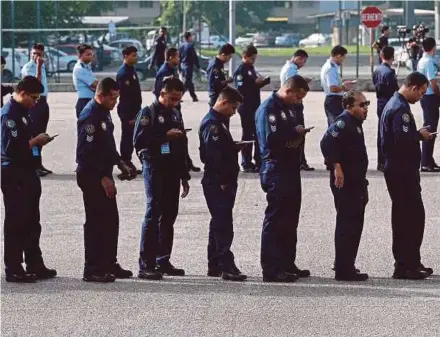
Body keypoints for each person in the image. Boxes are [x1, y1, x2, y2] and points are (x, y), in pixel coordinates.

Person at [76, 77, 135, 283]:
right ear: (100, 96)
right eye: (112, 98)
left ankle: (108, 262)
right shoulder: (90, 117)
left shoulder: (104, 114)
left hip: (103, 172)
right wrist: (102, 177)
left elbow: (107, 146)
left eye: (117, 98)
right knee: (96, 223)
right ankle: (92, 269)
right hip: (92, 175)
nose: (115, 102)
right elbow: (86, 153)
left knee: (111, 221)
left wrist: (120, 162)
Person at [255, 75, 313, 283]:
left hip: (290, 167)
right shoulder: (269, 109)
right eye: (298, 97)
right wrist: (293, 133)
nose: (299, 101)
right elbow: (271, 140)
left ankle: (287, 263)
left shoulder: (290, 107)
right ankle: (271, 268)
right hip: (275, 168)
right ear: (288, 91)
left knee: (290, 218)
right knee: (276, 218)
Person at [1, 76, 57, 282]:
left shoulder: (24, 112)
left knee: (32, 221)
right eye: (33, 97)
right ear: (22, 93)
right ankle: (14, 267)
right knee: (16, 221)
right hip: (14, 173)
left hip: (27, 172)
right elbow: (11, 149)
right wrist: (35, 141)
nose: (36, 102)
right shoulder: (9, 116)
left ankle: (35, 263)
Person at [134, 77, 190, 280]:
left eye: (178, 100)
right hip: (155, 167)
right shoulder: (148, 113)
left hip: (172, 170)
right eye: (172, 98)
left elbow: (182, 144)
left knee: (169, 215)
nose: (175, 103)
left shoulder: (175, 113)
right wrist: (164, 136)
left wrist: (185, 175)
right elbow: (139, 142)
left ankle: (162, 260)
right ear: (162, 93)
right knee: (153, 213)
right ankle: (146, 264)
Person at [380, 72, 434, 280]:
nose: (421, 96)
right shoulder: (400, 109)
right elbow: (402, 141)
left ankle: (411, 261)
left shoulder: (397, 104)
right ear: (413, 87)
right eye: (421, 92)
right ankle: (405, 265)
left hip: (401, 169)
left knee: (409, 216)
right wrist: (419, 136)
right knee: (409, 218)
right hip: (401, 171)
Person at [199, 86, 247, 281]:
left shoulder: (220, 122)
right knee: (223, 225)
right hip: (218, 181)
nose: (234, 113)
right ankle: (226, 265)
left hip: (221, 180)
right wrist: (224, 180)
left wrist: (232, 147)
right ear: (224, 102)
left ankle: (215, 264)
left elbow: (220, 149)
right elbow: (212, 156)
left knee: (218, 222)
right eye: (233, 108)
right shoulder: (213, 124)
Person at [320, 90, 370, 281]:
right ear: (349, 107)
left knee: (354, 224)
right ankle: (343, 269)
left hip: (356, 182)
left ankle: (346, 263)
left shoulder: (355, 124)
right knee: (347, 224)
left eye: (366, 104)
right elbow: (326, 142)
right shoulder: (343, 122)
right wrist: (336, 165)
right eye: (361, 105)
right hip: (346, 183)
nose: (365, 108)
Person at [154, 48, 201, 173]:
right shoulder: (164, 72)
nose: (179, 59)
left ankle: (185, 163)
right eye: (177, 57)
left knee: (181, 138)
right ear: (170, 57)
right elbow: (159, 93)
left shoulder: (171, 70)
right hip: (165, 112)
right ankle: (168, 162)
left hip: (174, 110)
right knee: (167, 139)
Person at [233, 45, 269, 173]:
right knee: (248, 135)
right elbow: (241, 89)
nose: (254, 61)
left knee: (257, 134)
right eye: (252, 58)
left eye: (255, 58)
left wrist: (262, 83)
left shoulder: (251, 69)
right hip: (246, 107)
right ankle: (246, 161)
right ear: (245, 57)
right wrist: (255, 84)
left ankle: (257, 159)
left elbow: (253, 85)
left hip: (254, 105)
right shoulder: (241, 70)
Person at [280, 49, 314, 171]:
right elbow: (293, 86)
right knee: (299, 131)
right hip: (294, 104)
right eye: (303, 61)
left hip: (293, 102)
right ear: (298, 58)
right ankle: (300, 161)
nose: (303, 64)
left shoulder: (289, 68)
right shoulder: (291, 69)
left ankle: (300, 160)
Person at [21, 43, 52, 176]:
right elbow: (36, 86)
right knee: (34, 135)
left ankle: (38, 163)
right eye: (33, 53)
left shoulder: (43, 66)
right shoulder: (28, 68)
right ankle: (33, 166)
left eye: (39, 54)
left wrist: (41, 66)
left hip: (43, 102)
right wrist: (38, 66)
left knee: (42, 134)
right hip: (34, 103)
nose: (35, 56)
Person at [116, 45, 143, 176]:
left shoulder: (131, 70)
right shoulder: (123, 73)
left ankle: (128, 161)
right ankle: (125, 162)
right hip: (128, 111)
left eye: (135, 55)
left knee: (132, 137)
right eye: (133, 55)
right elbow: (126, 97)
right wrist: (130, 116)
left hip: (135, 110)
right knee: (127, 138)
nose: (135, 58)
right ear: (125, 56)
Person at [372, 46, 399, 172]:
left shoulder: (377, 70)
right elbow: (395, 90)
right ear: (392, 57)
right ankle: (387, 160)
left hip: (380, 102)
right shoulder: (389, 73)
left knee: (381, 132)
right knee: (389, 133)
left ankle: (381, 161)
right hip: (388, 102)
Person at [417, 37, 440, 172]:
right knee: (430, 128)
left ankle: (428, 160)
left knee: (430, 127)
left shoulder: (422, 60)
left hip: (425, 96)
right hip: (430, 97)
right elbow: (433, 83)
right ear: (433, 48)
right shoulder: (429, 62)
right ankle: (425, 161)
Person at [320, 45, 355, 126]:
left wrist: (344, 84)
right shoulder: (330, 69)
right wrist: (344, 87)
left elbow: (335, 83)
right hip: (334, 101)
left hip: (334, 100)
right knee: (336, 126)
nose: (343, 60)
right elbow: (332, 88)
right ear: (338, 56)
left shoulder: (331, 67)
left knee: (339, 125)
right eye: (343, 58)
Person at [206, 43, 235, 127]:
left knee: (224, 123)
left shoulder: (219, 64)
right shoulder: (215, 65)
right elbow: (215, 84)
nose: (229, 60)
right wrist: (227, 81)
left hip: (221, 96)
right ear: (223, 55)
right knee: (219, 124)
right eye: (229, 57)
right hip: (216, 98)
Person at [72, 44, 98, 118]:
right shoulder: (79, 68)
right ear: (80, 55)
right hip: (84, 102)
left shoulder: (86, 67)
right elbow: (95, 84)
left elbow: (96, 83)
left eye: (91, 54)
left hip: (90, 100)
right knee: (87, 128)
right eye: (88, 54)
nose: (91, 56)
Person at [179, 31, 200, 102]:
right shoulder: (190, 46)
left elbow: (179, 57)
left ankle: (194, 97)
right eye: (191, 36)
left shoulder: (181, 46)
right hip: (188, 67)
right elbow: (194, 57)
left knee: (189, 82)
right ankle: (179, 96)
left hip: (183, 66)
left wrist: (179, 67)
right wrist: (198, 66)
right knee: (187, 83)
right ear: (189, 37)